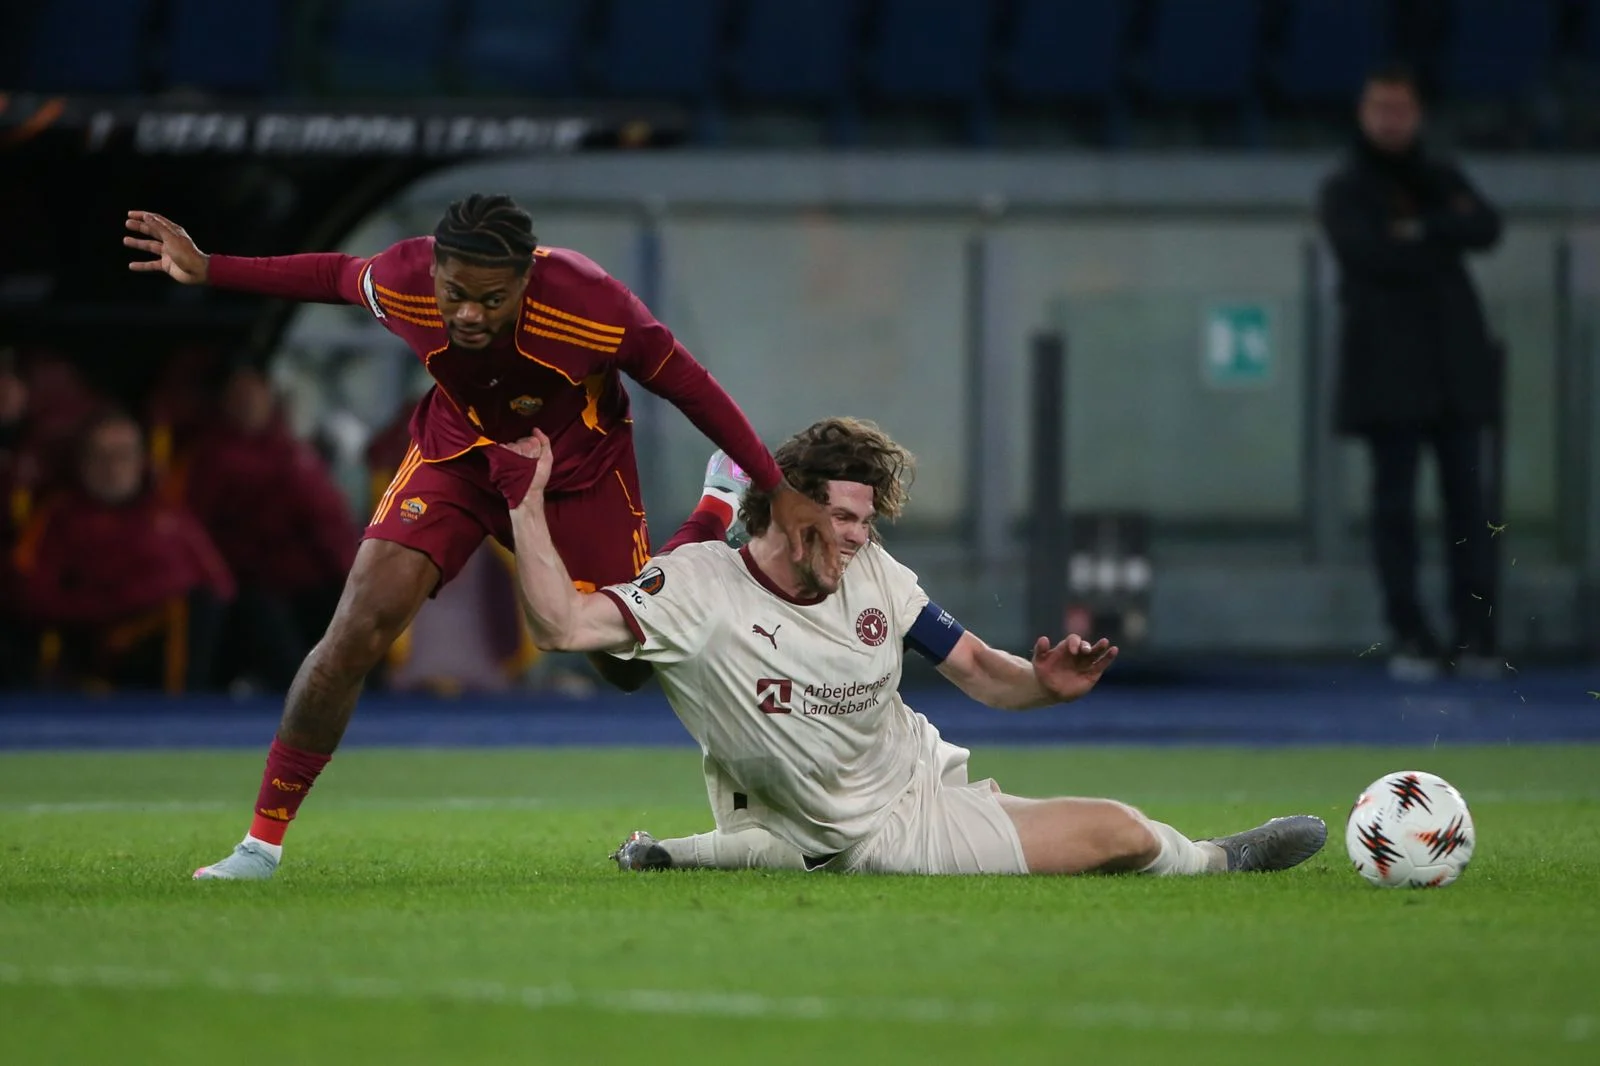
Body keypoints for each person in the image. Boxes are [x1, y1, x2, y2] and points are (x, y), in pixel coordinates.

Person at [124, 194, 835, 879]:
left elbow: (688, 384)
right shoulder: (403, 279)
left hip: (577, 477)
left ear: (527, 280)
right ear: (434, 271)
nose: (468, 313)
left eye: (491, 299)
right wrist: (209, 266)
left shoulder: (590, 303)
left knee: (626, 665)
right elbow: (334, 274)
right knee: (354, 632)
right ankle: (260, 846)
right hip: (459, 460)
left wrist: (773, 488)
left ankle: (713, 507)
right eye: (455, 293)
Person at [508, 417, 1328, 878]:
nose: (860, 538)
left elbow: (977, 669)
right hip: (872, 835)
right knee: (1121, 834)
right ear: (788, 509)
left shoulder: (876, 574)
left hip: (918, 783)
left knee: (1124, 831)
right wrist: (525, 505)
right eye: (844, 518)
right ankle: (1219, 863)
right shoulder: (696, 588)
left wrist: (1041, 683)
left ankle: (683, 855)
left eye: (867, 522)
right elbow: (562, 628)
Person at [1317, 64, 1505, 680]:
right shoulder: (1346, 186)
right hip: (1386, 375)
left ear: (1418, 114)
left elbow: (1486, 227)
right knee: (1394, 508)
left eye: (1400, 109)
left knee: (1468, 507)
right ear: (1362, 112)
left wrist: (1418, 230)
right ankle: (1410, 632)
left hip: (1453, 369)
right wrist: (1439, 234)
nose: (1390, 120)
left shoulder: (1441, 175)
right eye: (1380, 108)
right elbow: (1366, 253)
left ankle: (1476, 632)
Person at [14, 410, 233, 692]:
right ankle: (179, 703)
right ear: (83, 462)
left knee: (207, 607)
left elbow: (219, 582)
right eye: (102, 456)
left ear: (141, 460)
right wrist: (104, 607)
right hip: (92, 639)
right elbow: (30, 590)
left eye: (123, 455)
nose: (113, 467)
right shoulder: (59, 517)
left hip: (165, 633)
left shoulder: (169, 513)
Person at [173, 363, 358, 691]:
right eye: (238, 395)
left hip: (304, 580)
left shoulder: (296, 456)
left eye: (255, 393)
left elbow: (330, 524)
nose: (248, 403)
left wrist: (353, 575)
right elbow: (197, 532)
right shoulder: (209, 459)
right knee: (264, 615)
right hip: (246, 583)